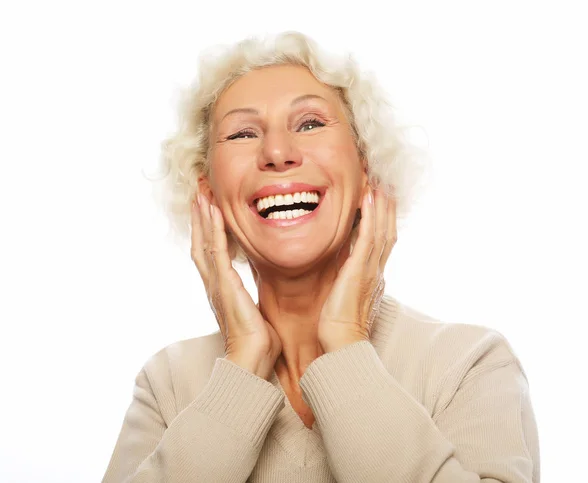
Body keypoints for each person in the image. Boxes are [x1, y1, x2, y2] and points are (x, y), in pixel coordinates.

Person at [101, 31, 540, 482]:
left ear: (368, 168)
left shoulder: (467, 364)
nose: (276, 153)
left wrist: (346, 343)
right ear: (208, 195)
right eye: (242, 133)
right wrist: (243, 362)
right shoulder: (169, 383)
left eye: (310, 123)